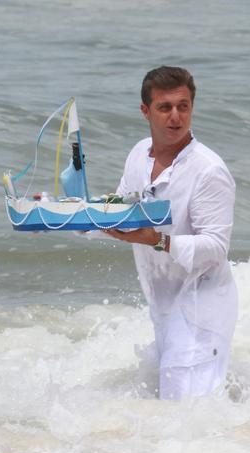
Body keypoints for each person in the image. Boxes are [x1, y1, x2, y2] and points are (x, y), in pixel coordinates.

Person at [104, 66, 237, 401]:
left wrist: (158, 240)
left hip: (200, 305)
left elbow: (216, 247)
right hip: (162, 302)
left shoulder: (209, 170)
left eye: (184, 106)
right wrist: (58, 222)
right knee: (163, 413)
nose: (176, 116)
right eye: (165, 107)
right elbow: (120, 217)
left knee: (188, 419)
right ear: (145, 111)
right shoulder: (138, 155)